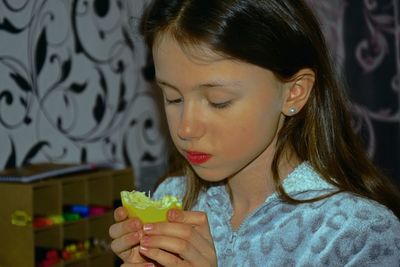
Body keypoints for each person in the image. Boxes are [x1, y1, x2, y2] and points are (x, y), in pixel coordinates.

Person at [109, 0, 400, 266]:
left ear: (294, 93)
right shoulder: (172, 198)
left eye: (218, 101)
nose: (186, 128)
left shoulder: (360, 233)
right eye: (173, 98)